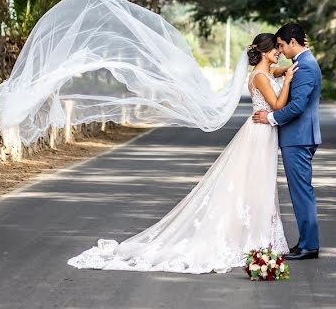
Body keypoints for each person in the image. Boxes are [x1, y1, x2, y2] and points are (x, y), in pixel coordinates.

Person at [67, 32, 298, 273]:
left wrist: (282, 72)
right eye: (275, 49)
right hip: (259, 134)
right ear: (263, 51)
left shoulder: (264, 73)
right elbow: (278, 105)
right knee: (256, 184)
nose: (279, 52)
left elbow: (274, 73)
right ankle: (254, 238)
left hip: (262, 132)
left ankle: (259, 236)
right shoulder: (260, 76)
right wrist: (289, 79)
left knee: (258, 185)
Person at [252, 23, 322, 260]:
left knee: (302, 191)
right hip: (297, 137)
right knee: (300, 190)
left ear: (293, 42)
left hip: (299, 137)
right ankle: (304, 242)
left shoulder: (306, 67)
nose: (280, 50)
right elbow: (270, 73)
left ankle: (309, 246)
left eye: (281, 45)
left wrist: (270, 117)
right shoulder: (301, 64)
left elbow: (297, 106)